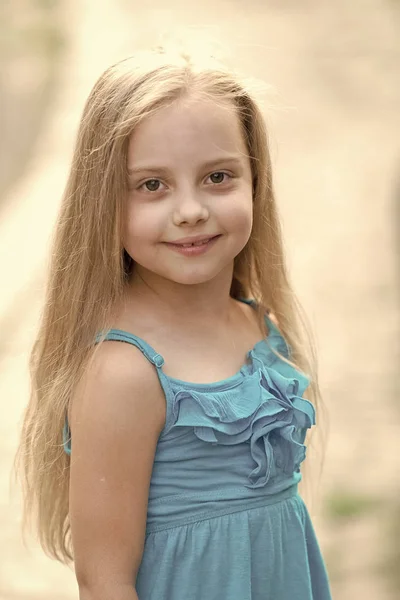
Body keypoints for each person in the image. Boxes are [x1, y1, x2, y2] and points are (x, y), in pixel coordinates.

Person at [17, 47, 332, 600]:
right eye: (152, 185)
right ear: (102, 205)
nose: (190, 210)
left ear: (255, 181)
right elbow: (105, 582)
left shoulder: (260, 326)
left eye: (217, 176)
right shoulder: (124, 373)